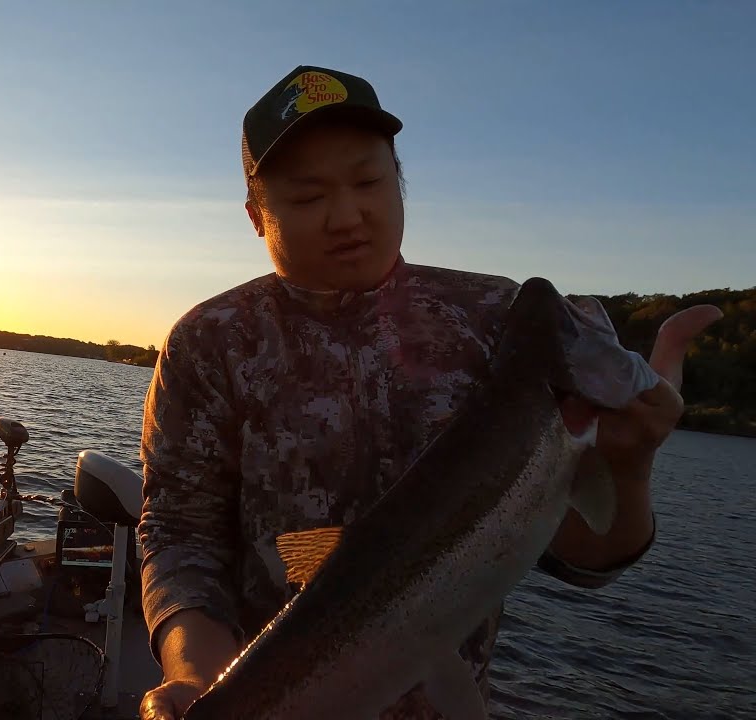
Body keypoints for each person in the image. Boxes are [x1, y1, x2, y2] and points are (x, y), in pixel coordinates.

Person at [136, 65, 720, 720]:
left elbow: (585, 559)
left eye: (368, 182)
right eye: (306, 197)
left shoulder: (493, 319)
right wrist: (199, 679)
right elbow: (179, 529)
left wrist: (630, 465)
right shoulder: (211, 341)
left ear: (400, 180)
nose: (347, 215)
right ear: (255, 216)